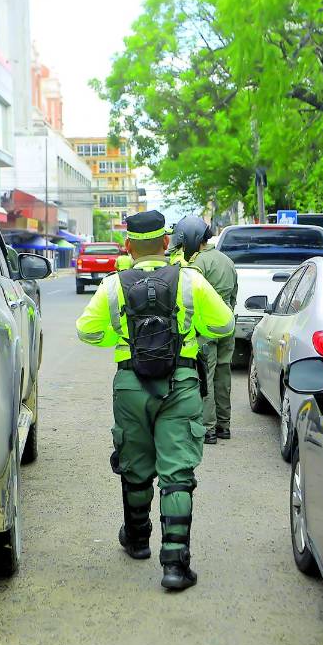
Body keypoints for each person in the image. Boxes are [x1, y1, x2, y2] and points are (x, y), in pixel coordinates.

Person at [75, 210, 234, 591]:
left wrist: (120, 340)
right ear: (166, 243)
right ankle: (175, 565)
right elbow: (224, 324)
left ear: (128, 247)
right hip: (180, 383)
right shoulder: (190, 280)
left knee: (135, 464)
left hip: (130, 384)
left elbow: (86, 332)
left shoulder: (114, 285)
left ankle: (138, 540)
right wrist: (191, 331)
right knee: (177, 473)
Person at [169, 215, 239, 445]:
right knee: (223, 375)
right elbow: (234, 295)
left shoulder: (197, 263)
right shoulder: (227, 260)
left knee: (205, 378)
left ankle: (208, 429)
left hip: (205, 330)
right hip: (227, 325)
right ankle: (224, 425)